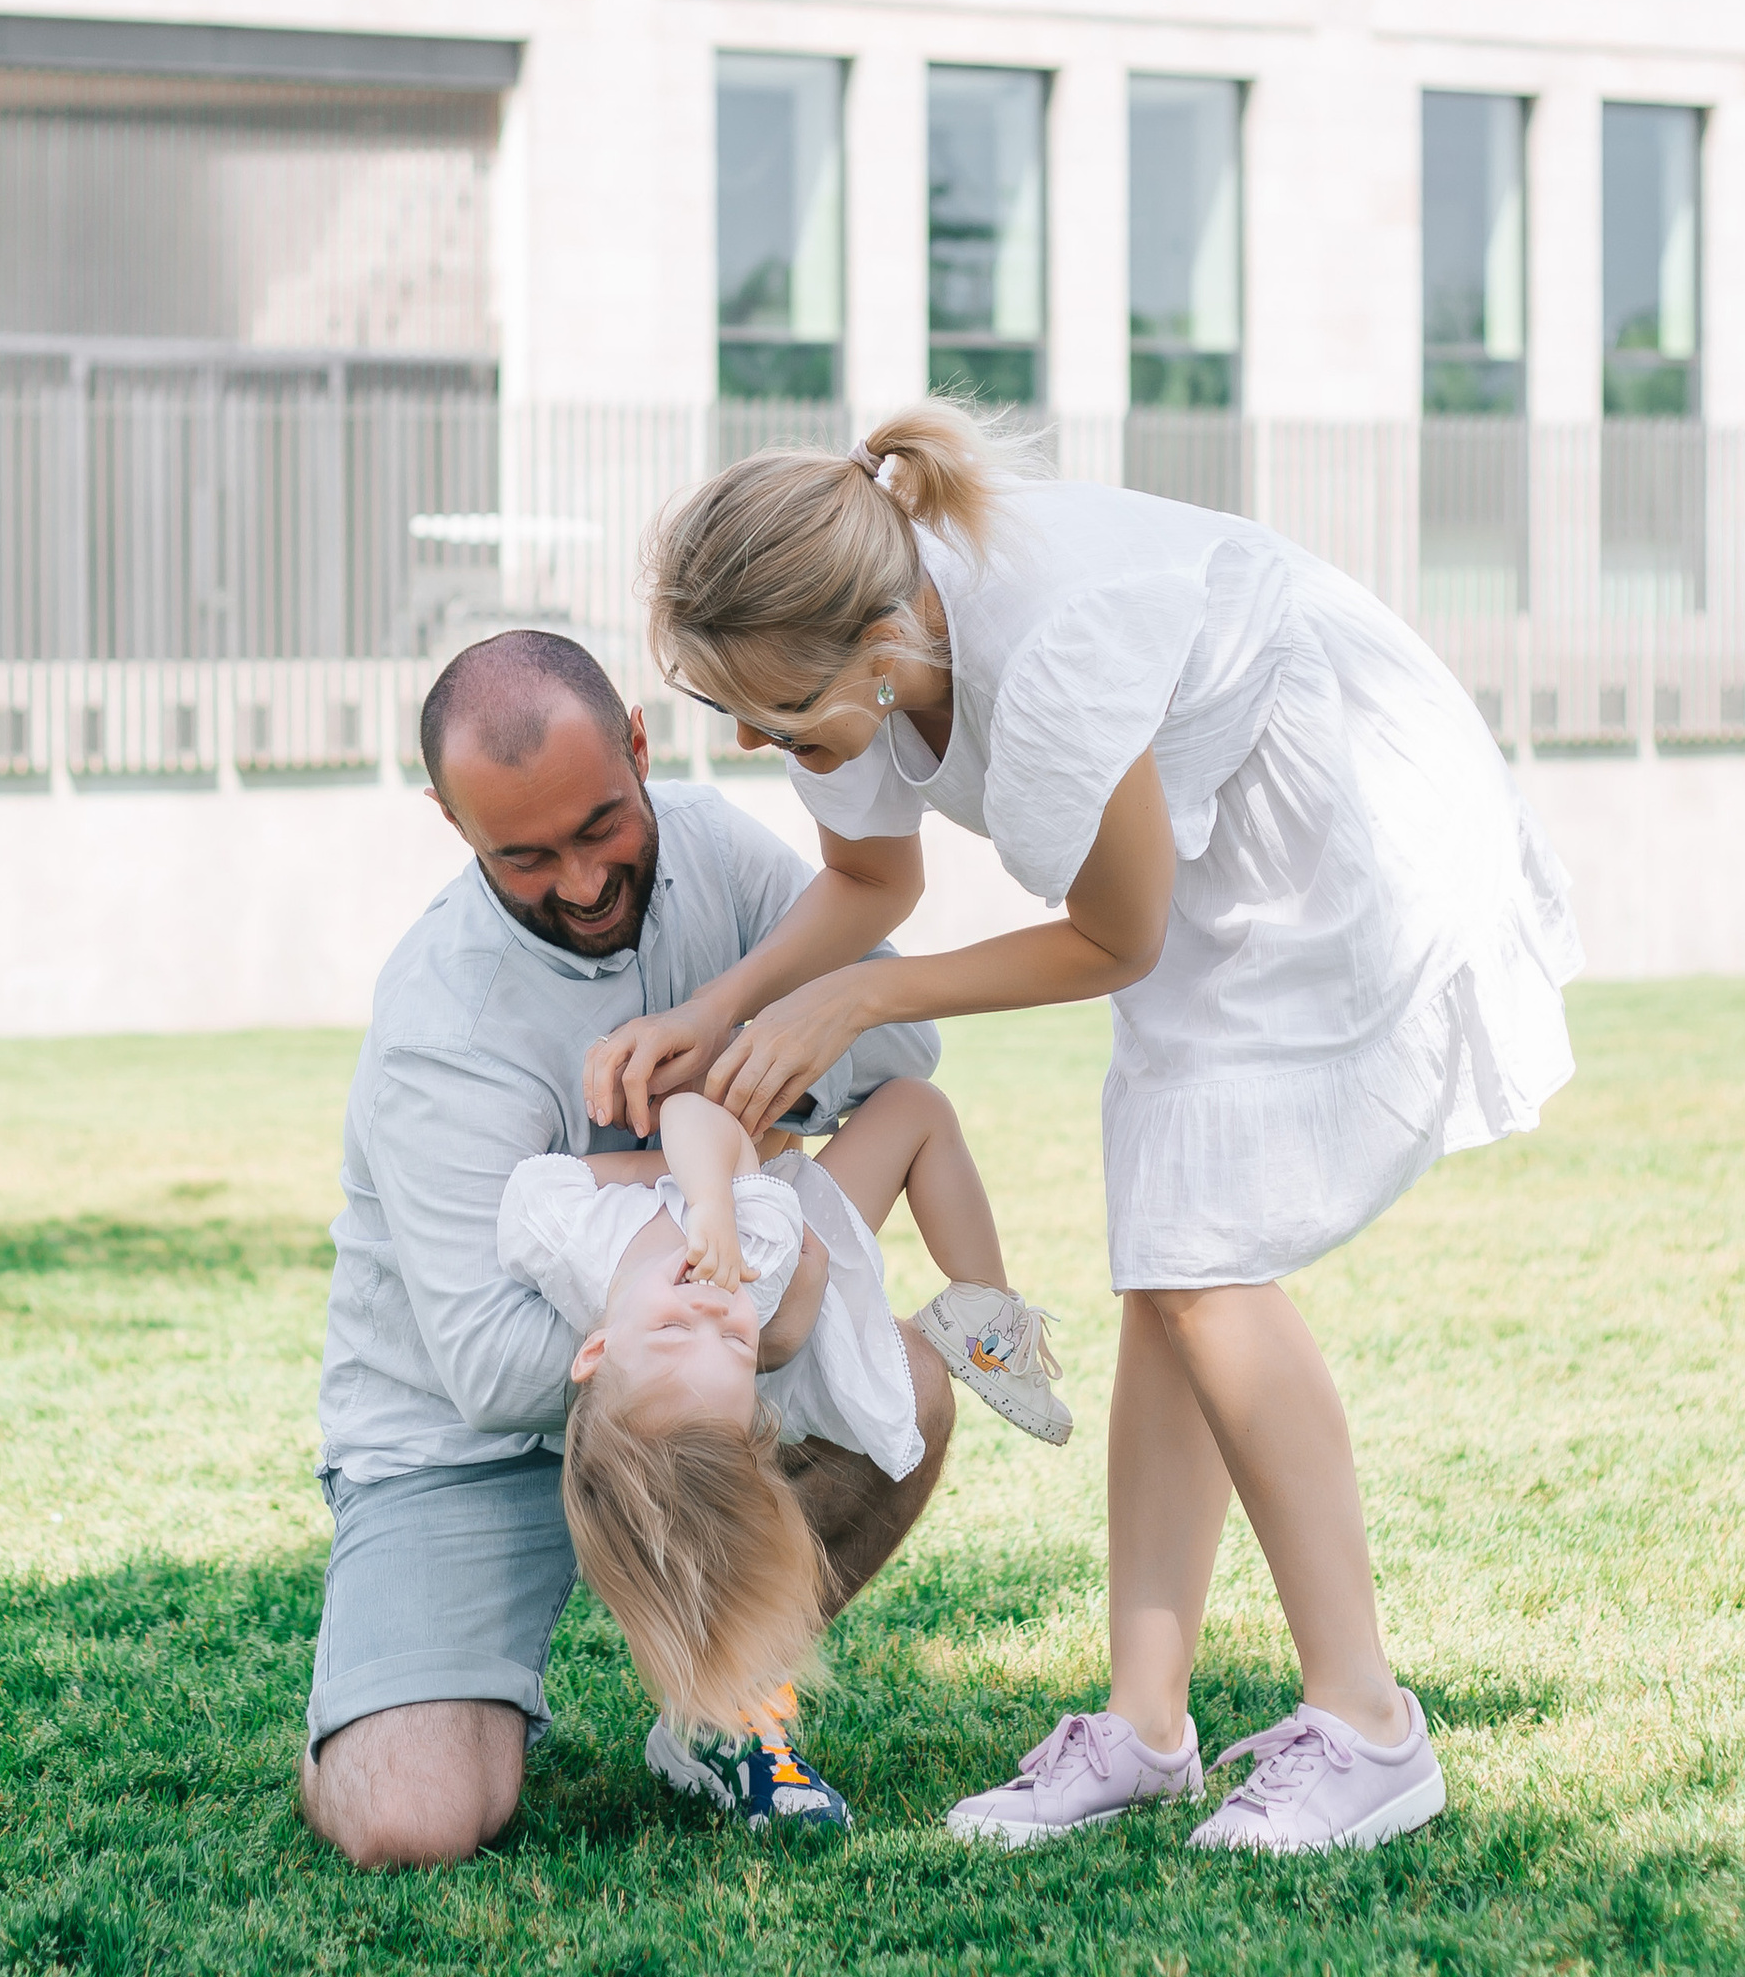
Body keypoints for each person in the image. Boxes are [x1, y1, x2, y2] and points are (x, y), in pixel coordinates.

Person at [587, 403, 1582, 1857]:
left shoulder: (1044, 662)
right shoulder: (850, 649)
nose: (749, 743)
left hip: (1333, 812)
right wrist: (728, 1010)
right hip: (1204, 847)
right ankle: (1145, 1727)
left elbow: (1114, 937)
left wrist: (862, 1007)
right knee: (1167, 1270)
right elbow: (870, 880)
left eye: (776, 717)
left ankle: (1369, 1727)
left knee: (1205, 1266)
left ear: (878, 648)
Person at [299, 626, 953, 1870]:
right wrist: (742, 1299)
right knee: (413, 1819)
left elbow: (901, 1052)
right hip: (459, 1444)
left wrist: (730, 1055)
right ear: (454, 826)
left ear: (642, 749)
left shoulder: (714, 850)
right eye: (526, 857)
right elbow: (489, 1365)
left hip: (680, 1393)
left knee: (908, 1390)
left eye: (603, 825)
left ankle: (714, 1711)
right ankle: (390, 1697)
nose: (586, 881)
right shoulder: (442, 1021)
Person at [505, 1070, 1023, 1763]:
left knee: (872, 1106)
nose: (710, 1310)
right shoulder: (759, 1267)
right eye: (733, 1343)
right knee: (917, 1107)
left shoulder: (562, 1238)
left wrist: (684, 1189)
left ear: (596, 1348)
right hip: (783, 1214)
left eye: (671, 1333)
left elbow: (550, 1178)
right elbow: (704, 1122)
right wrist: (717, 1197)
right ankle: (987, 1309)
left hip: (739, 1170)